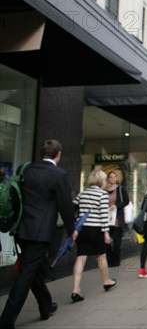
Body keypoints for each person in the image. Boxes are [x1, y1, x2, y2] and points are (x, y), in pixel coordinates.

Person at [0, 140, 76, 329]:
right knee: (26, 273)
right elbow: (66, 206)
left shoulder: (26, 170)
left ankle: (46, 305)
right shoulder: (59, 174)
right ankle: (6, 320)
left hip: (21, 229)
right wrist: (71, 229)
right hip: (40, 233)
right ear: (58, 154)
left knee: (30, 268)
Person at [71, 169, 117, 303]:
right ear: (101, 180)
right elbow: (103, 215)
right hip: (96, 230)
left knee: (81, 258)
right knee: (101, 256)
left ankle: (75, 290)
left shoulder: (82, 194)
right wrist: (106, 233)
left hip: (82, 230)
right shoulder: (102, 194)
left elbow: (73, 208)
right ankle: (107, 281)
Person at [104, 170, 130, 267]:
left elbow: (126, 201)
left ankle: (116, 261)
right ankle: (110, 260)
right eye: (111, 177)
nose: (113, 179)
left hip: (117, 219)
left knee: (117, 242)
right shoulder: (104, 189)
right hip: (106, 218)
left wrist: (116, 206)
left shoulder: (120, 189)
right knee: (106, 241)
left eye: (115, 177)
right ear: (108, 178)